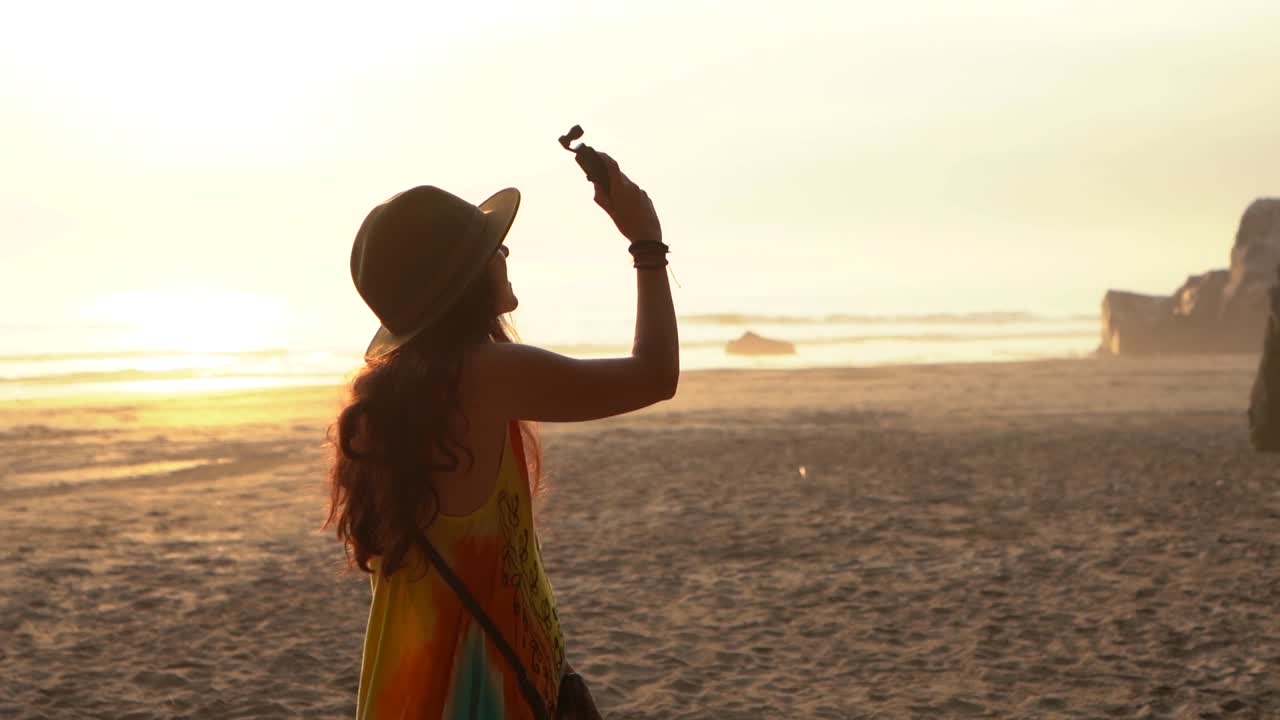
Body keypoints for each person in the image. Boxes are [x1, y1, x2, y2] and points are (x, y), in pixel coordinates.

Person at [326, 151, 678, 719]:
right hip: (477, 698)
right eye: (491, 247)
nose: (505, 252)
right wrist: (646, 241)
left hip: (417, 694)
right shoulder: (483, 374)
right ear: (462, 279)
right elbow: (655, 375)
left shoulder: (398, 396)